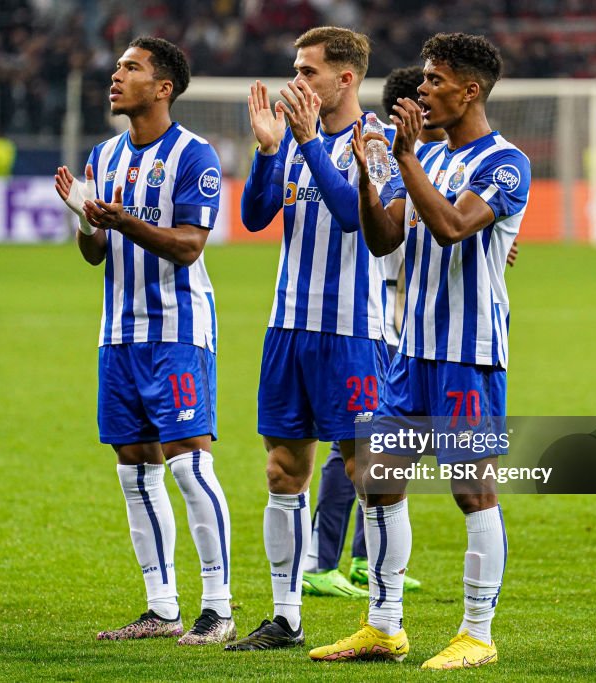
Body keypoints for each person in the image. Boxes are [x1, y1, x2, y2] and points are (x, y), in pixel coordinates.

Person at [309, 33, 530, 669]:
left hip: (469, 351)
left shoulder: (505, 162)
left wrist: (404, 158)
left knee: (472, 491)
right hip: (410, 351)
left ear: (470, 90)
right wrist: (374, 178)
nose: (422, 90)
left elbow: (454, 227)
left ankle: (478, 634)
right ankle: (383, 628)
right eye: (423, 80)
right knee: (378, 482)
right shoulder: (427, 159)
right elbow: (384, 241)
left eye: (434, 81)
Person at [54, 36, 234, 646]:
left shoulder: (194, 155)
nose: (115, 76)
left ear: (163, 88)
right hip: (119, 335)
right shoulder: (103, 156)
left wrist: (122, 218)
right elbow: (95, 253)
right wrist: (85, 216)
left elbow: (189, 245)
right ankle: (162, 609)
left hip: (178, 332)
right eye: (116, 67)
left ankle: (219, 607)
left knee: (189, 464)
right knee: (134, 470)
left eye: (130, 68)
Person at [225, 27, 390, 651]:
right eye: (295, 70)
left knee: (364, 470)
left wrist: (306, 142)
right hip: (287, 328)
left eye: (308, 72)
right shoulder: (294, 138)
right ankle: (286, 617)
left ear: (345, 79)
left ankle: (381, 618)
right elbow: (255, 217)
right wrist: (269, 152)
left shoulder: (374, 140)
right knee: (281, 470)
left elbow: (355, 215)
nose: (297, 83)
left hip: (351, 332)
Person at [301, 65, 435, 599]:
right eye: (421, 102)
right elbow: (385, 235)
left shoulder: (424, 161)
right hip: (373, 316)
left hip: (403, 316)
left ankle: (360, 558)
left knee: (382, 442)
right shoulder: (382, 155)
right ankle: (319, 561)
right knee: (355, 442)